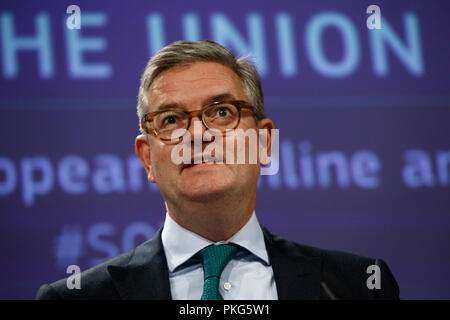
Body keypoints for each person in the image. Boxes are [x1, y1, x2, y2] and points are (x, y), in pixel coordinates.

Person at [36, 40, 399, 300]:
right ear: (148, 158)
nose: (197, 134)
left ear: (263, 142)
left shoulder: (358, 286)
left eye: (222, 112)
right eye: (172, 119)